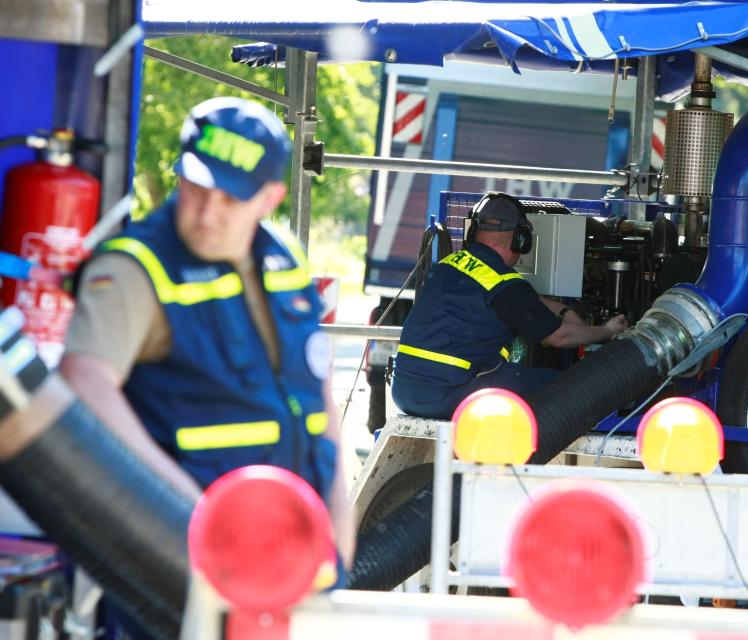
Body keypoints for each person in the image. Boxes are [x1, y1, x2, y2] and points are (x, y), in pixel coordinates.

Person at [60, 97, 354, 572]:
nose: (207, 213)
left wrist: (341, 530)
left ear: (269, 199)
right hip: (187, 564)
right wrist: (193, 515)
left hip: (297, 557)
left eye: (231, 197)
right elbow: (84, 381)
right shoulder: (135, 266)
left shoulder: (286, 257)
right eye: (197, 187)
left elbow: (318, 391)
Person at [392, 192, 628, 419]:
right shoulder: (506, 283)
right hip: (448, 395)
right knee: (567, 384)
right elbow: (560, 337)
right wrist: (607, 331)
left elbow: (511, 299)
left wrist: (562, 310)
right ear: (521, 239)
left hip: (404, 393)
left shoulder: (448, 264)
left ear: (472, 231)